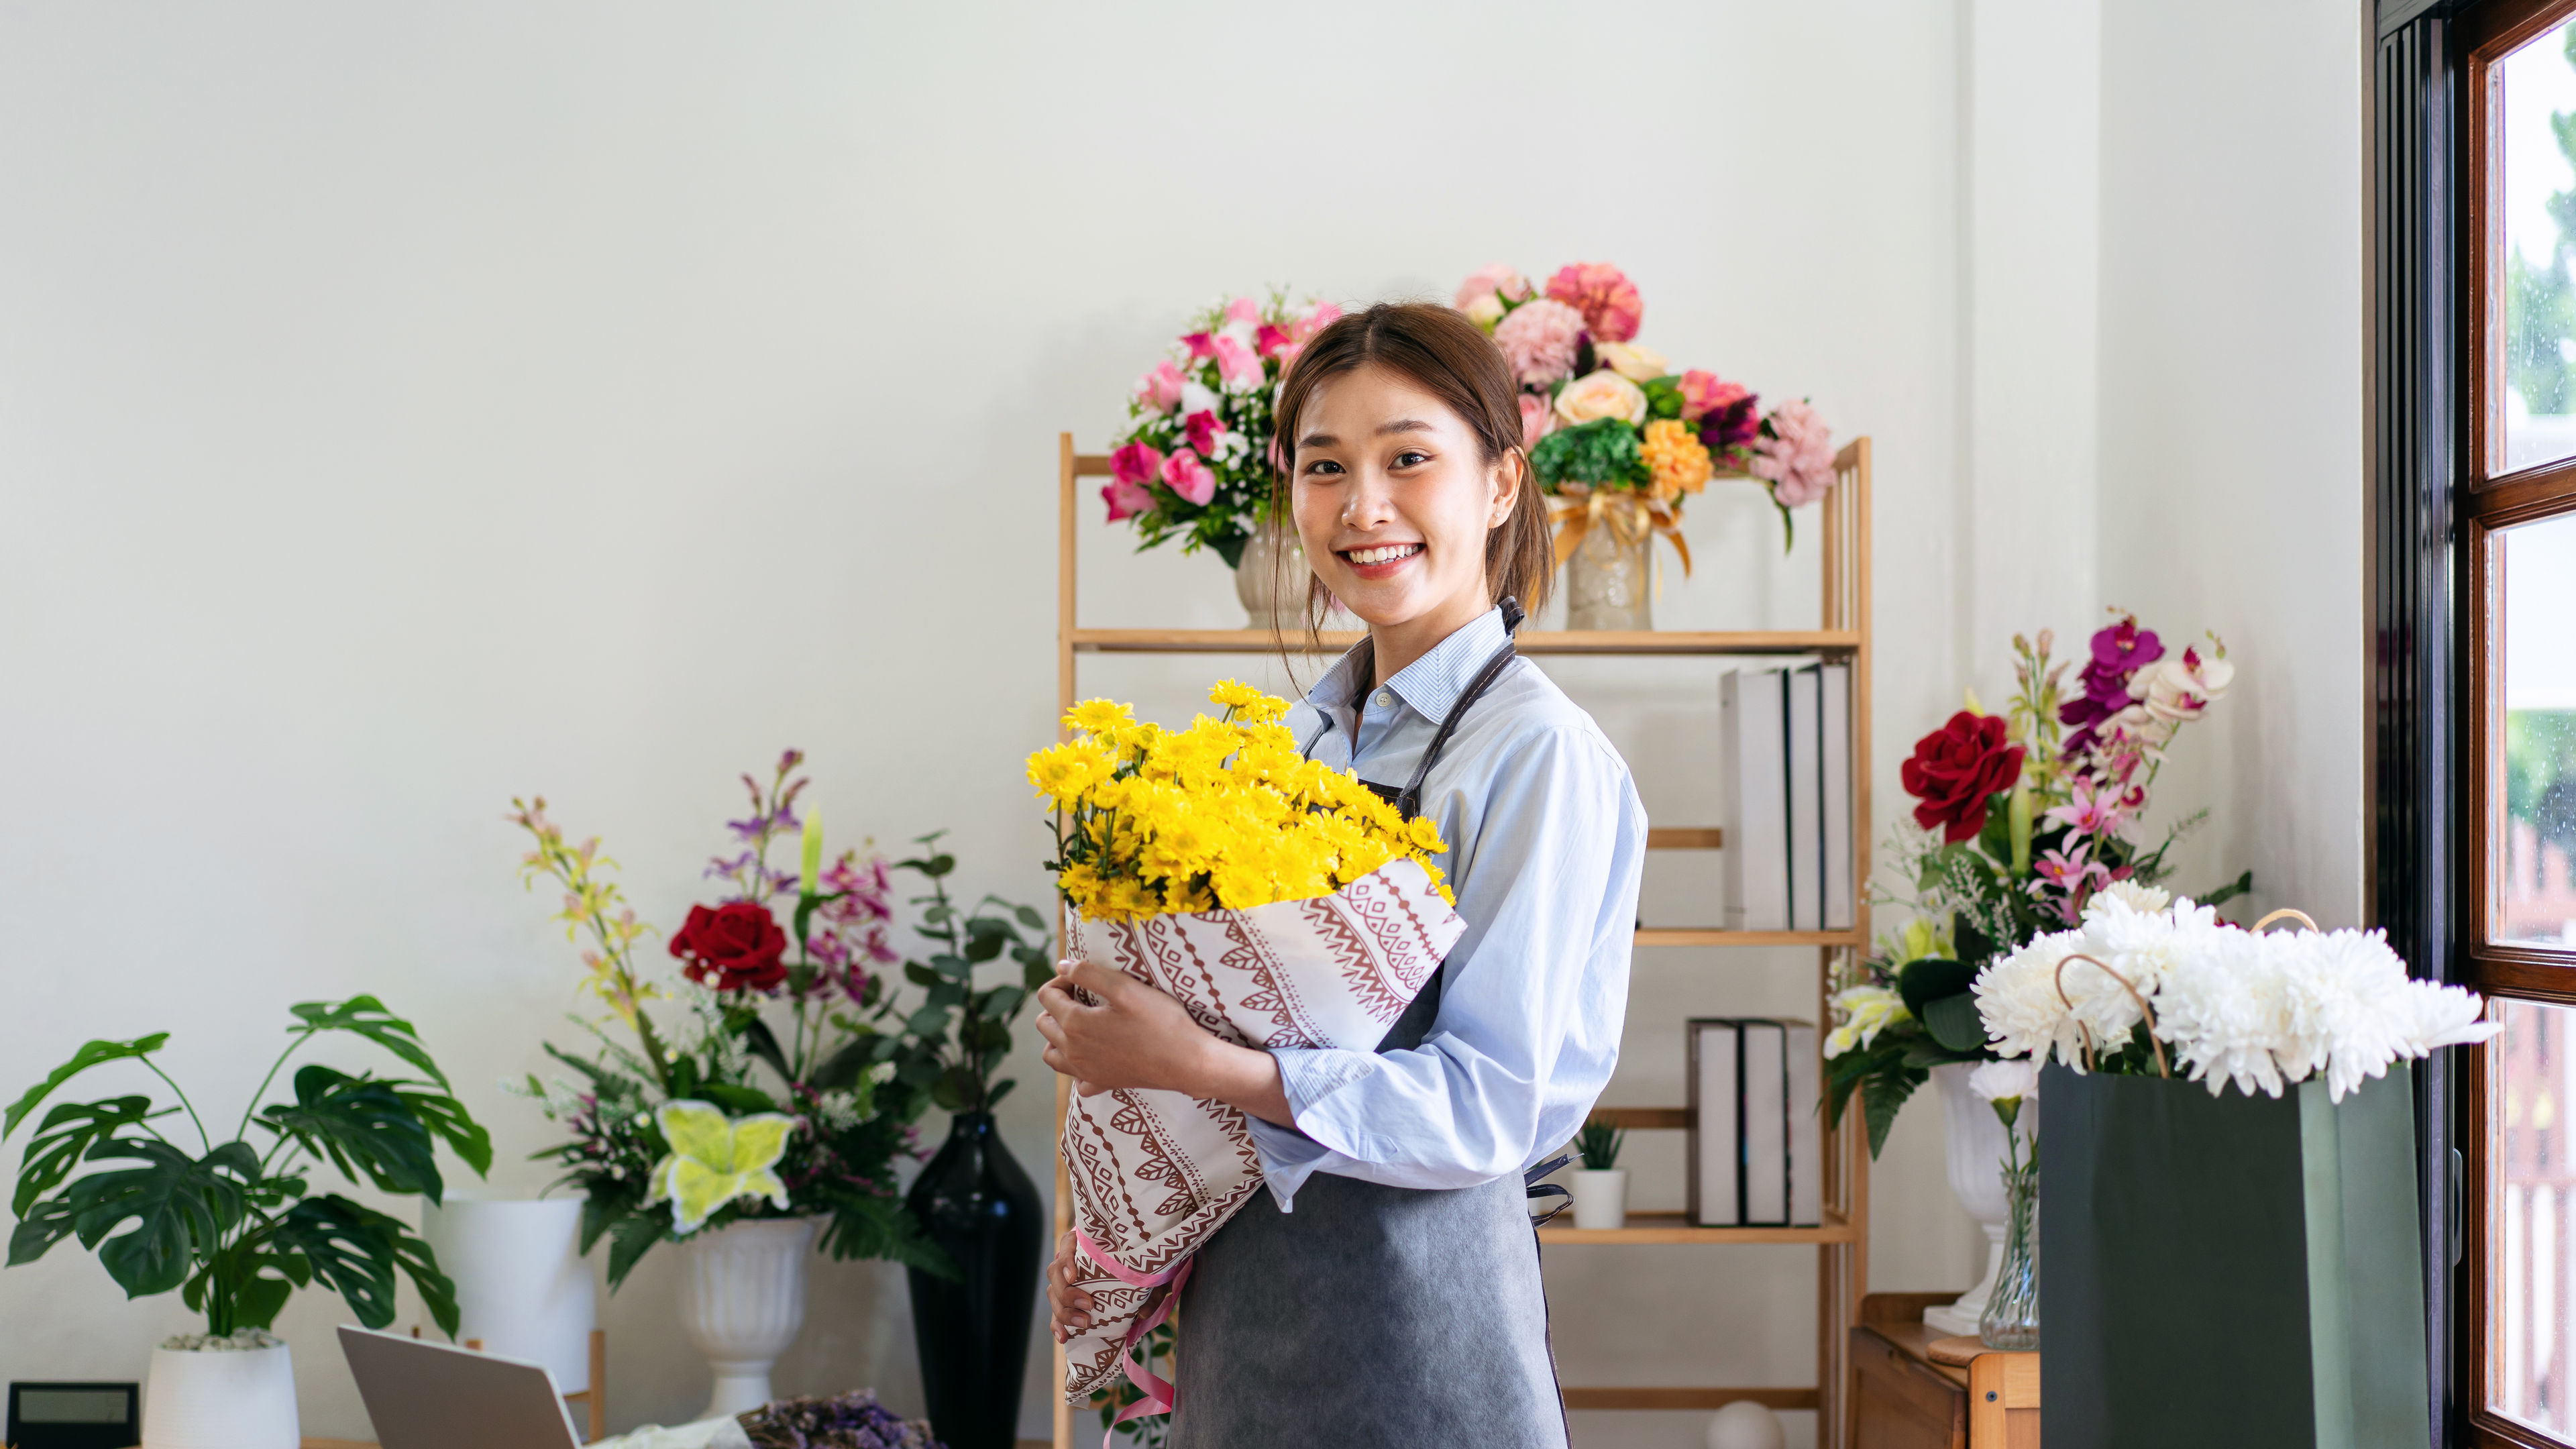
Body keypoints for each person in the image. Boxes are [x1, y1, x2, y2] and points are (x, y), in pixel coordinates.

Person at [1032, 301, 1646, 1448]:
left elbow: (1490, 1105)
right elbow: (1228, 1053)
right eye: (1325, 467)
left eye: (1408, 458)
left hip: (1426, 1333)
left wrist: (1198, 1060)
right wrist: (1133, 1249)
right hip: (1247, 1325)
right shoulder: (1296, 747)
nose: (1363, 507)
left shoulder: (1535, 755)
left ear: (1501, 485)